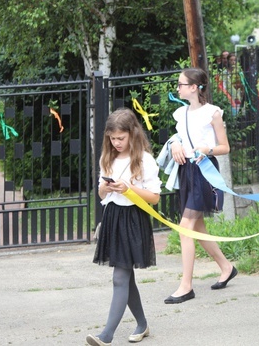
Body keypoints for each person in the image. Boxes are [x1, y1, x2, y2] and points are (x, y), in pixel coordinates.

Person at [88, 109, 161, 346]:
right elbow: (100, 191)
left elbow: (154, 197)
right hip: (113, 218)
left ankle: (106, 335)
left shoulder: (145, 160)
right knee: (125, 278)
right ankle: (142, 324)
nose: (116, 143)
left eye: (121, 138)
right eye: (112, 138)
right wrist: (106, 189)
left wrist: (128, 188)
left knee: (120, 276)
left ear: (132, 134)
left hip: (133, 219)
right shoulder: (107, 158)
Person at [165, 68, 236, 304]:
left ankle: (186, 286)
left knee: (185, 227)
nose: (178, 88)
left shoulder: (212, 113)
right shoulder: (180, 113)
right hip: (186, 171)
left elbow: (224, 147)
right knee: (198, 228)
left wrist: (207, 149)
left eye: (181, 84)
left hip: (204, 170)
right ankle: (226, 267)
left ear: (194, 87)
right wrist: (175, 143)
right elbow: (179, 137)